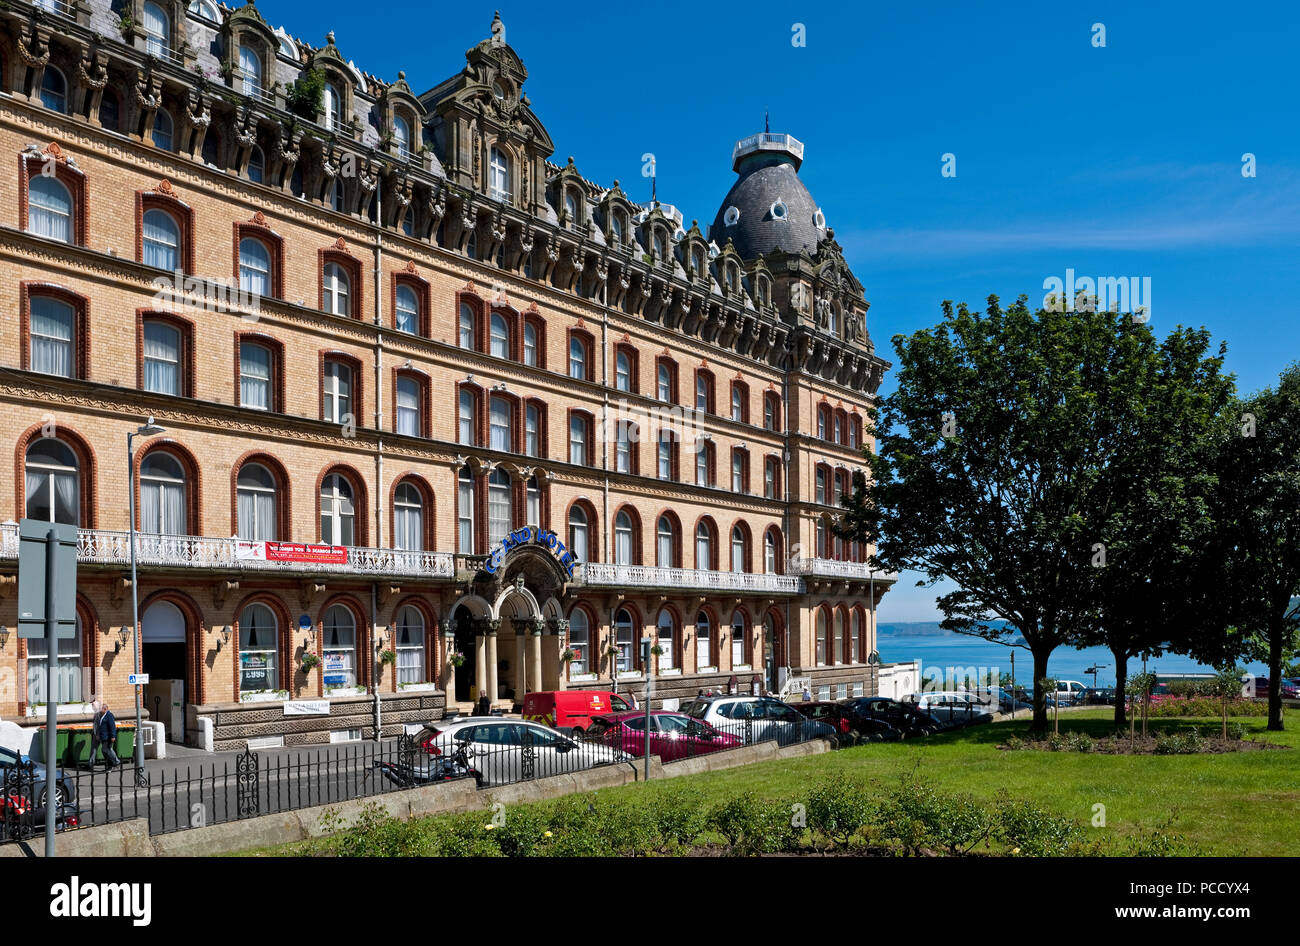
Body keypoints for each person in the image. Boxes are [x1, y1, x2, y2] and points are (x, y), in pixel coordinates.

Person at [94, 700, 120, 767]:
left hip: (108, 737)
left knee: (105, 750)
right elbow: (100, 726)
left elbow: (112, 726)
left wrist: (113, 736)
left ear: (105, 709)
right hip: (103, 736)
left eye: (101, 709)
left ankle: (111, 764)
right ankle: (112, 763)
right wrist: (98, 734)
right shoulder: (102, 716)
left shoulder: (109, 715)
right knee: (107, 750)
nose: (100, 710)